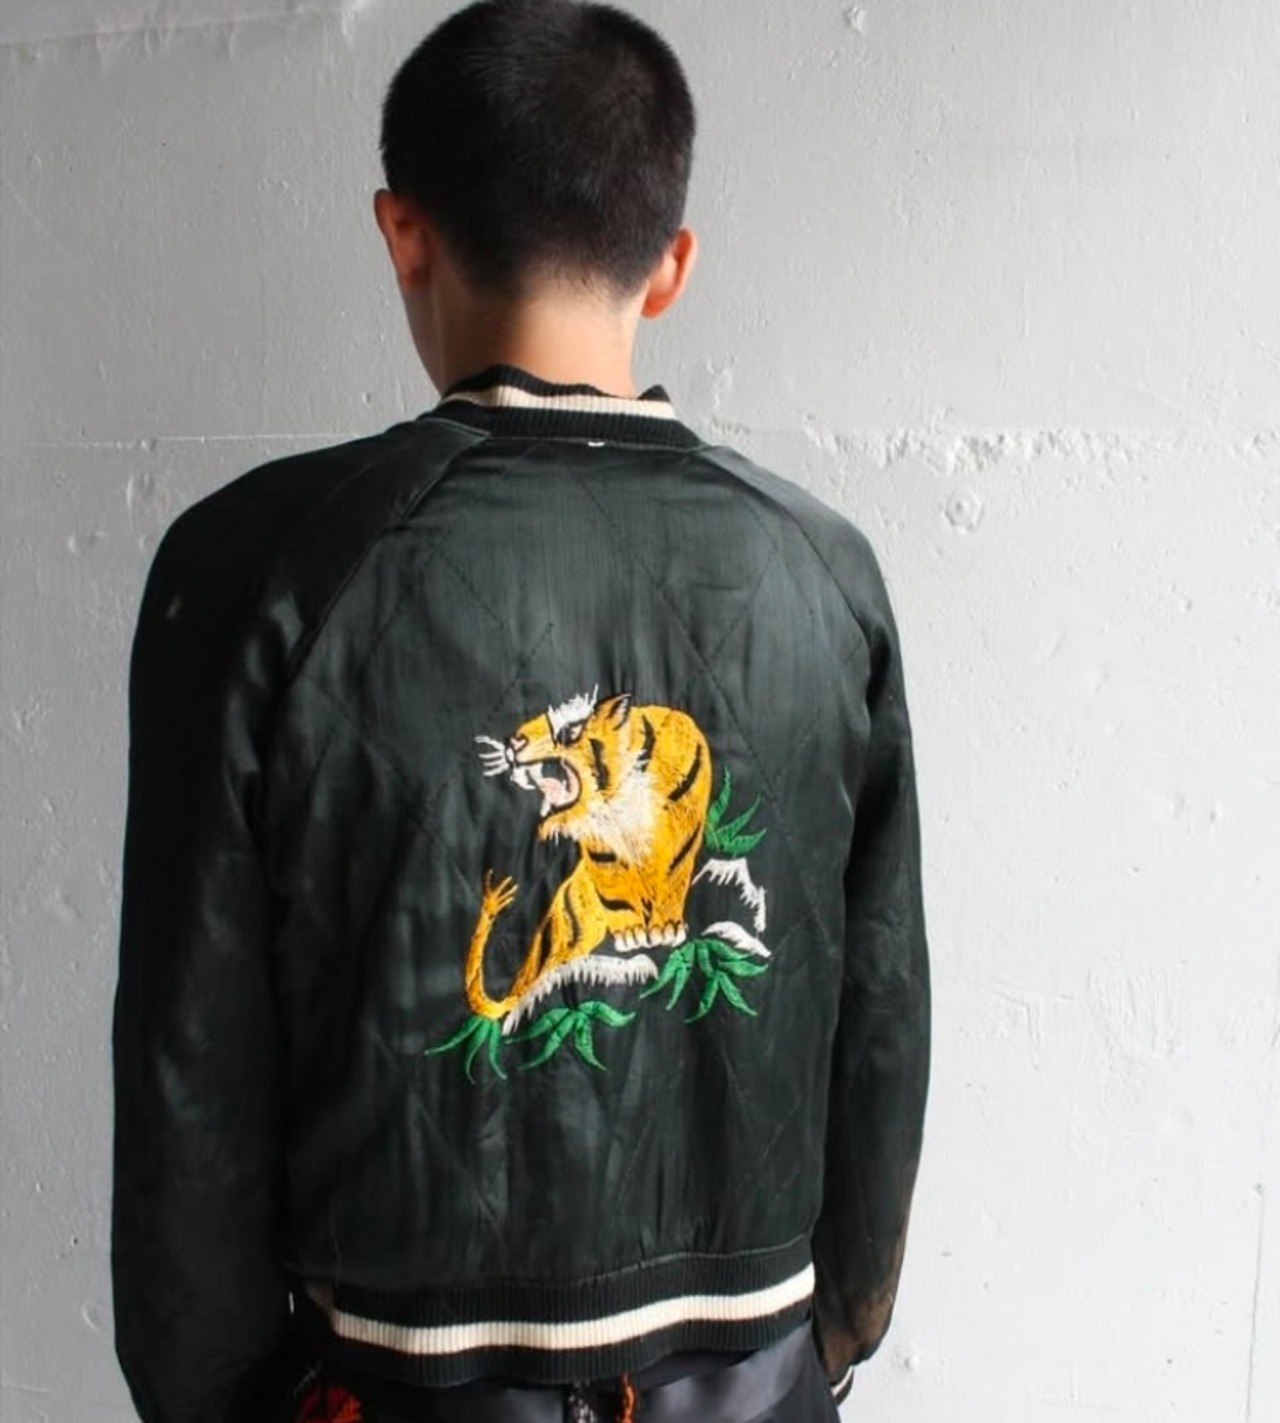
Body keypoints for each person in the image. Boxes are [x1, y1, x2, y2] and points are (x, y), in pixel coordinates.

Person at [110, 2, 931, 1421]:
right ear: (669, 265)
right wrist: (828, 1344)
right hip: (751, 1374)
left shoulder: (255, 568)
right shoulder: (822, 571)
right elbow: (883, 1015)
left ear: (403, 232)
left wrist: (214, 1399)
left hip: (395, 1384)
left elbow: (193, 1063)